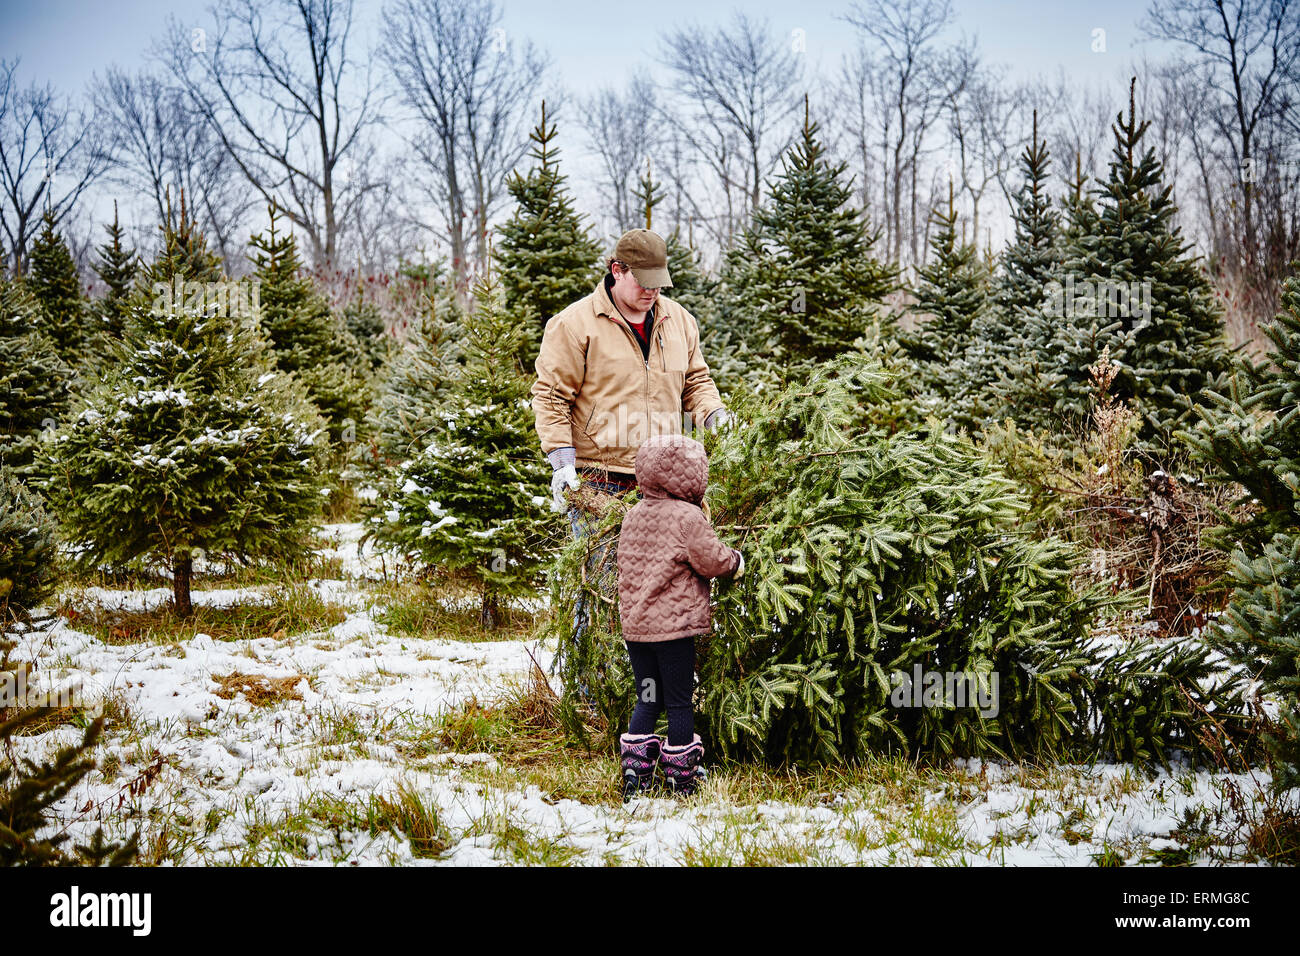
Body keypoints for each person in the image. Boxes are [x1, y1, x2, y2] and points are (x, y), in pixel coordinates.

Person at [531, 228, 731, 522]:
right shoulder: (573, 325)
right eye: (643, 283)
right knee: (607, 568)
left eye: (658, 284)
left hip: (666, 477)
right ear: (618, 271)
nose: (651, 291)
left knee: (668, 568)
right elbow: (552, 397)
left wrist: (716, 416)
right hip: (601, 481)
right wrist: (561, 461)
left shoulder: (680, 322)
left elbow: (696, 383)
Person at [614, 433, 743, 800]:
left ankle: (635, 773)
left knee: (647, 698)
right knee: (679, 701)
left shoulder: (633, 516)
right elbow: (712, 560)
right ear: (689, 475)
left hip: (637, 631)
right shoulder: (688, 518)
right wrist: (736, 561)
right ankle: (682, 777)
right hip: (674, 632)